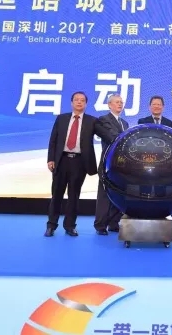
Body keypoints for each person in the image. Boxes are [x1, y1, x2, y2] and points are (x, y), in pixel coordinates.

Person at [45, 91, 116, 237]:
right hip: (61, 161)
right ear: (72, 103)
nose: (79, 102)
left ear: (86, 104)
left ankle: (70, 226)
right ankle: (51, 225)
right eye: (76, 100)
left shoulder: (92, 121)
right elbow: (53, 140)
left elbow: (107, 135)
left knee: (74, 196)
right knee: (56, 195)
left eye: (82, 100)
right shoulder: (61, 118)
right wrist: (50, 159)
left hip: (79, 163)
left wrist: (120, 139)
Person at [93, 94, 129, 235]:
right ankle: (100, 225)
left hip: (122, 165)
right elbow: (113, 137)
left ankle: (114, 223)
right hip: (108, 164)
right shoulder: (104, 119)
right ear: (109, 105)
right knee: (104, 195)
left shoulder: (125, 123)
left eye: (121, 102)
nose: (120, 104)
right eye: (117, 102)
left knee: (119, 194)